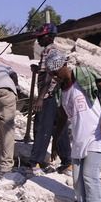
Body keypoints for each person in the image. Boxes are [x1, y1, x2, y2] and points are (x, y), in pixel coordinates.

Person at [45, 51, 101, 202]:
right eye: (52, 75)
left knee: (90, 176)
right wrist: (55, 142)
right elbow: (62, 117)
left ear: (64, 66)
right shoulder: (61, 92)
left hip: (98, 134)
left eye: (56, 72)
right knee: (78, 181)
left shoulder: (83, 76)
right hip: (79, 140)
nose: (55, 77)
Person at [28, 23, 71, 175]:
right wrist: (37, 68)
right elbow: (45, 71)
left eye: (41, 37)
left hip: (48, 95)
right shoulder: (51, 51)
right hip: (55, 95)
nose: (38, 41)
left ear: (49, 37)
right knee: (57, 128)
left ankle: (35, 163)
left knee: (42, 128)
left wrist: (40, 98)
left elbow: (48, 77)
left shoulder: (49, 51)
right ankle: (67, 162)